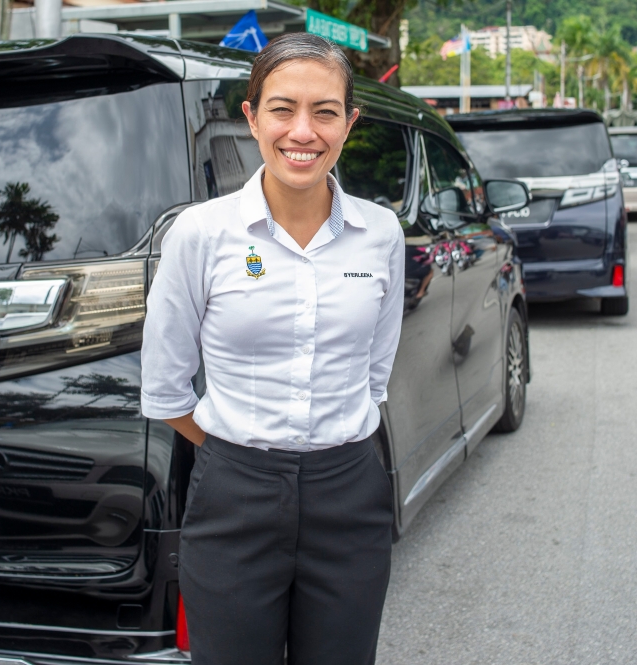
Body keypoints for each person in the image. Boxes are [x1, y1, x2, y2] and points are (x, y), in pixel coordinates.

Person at [140, 33, 405, 665]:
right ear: (252, 117)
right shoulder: (200, 235)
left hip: (351, 492)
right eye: (283, 109)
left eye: (325, 112)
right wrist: (243, 458)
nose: (303, 132)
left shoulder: (381, 233)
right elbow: (168, 389)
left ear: (350, 122)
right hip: (234, 496)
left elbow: (374, 372)